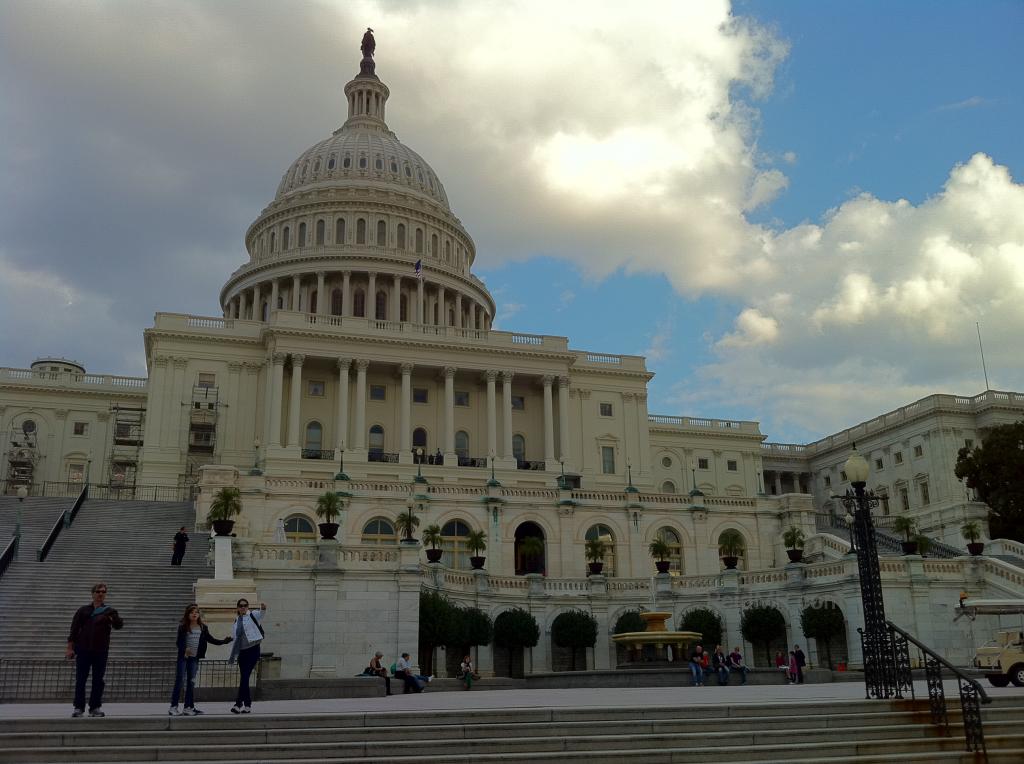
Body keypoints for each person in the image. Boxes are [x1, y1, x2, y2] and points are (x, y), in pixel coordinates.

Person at [66, 583, 124, 718]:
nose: (101, 594)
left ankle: (95, 707)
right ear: (92, 594)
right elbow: (74, 630)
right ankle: (78, 707)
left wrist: (113, 619)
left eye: (103, 592)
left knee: (98, 680)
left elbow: (119, 625)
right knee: (80, 679)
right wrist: (70, 648)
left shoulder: (110, 611)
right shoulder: (83, 610)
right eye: (98, 592)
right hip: (83, 649)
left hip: (100, 650)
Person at [169, 604, 232, 716]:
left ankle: (188, 707)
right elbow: (178, 642)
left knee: (191, 683)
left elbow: (211, 639)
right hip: (183, 658)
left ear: (199, 615)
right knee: (179, 681)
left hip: (194, 658)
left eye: (196, 612)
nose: (194, 614)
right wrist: (185, 649)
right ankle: (173, 707)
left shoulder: (203, 628)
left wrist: (223, 641)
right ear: (187, 614)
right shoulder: (183, 627)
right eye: (192, 612)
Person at [227, 599, 266, 713]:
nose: (243, 607)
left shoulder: (253, 615)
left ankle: (238, 704)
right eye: (241, 606)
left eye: (245, 605)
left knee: (244, 677)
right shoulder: (236, 620)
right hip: (242, 652)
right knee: (244, 679)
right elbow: (236, 637)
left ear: (248, 606)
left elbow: (261, 614)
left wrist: (263, 608)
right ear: (238, 608)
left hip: (253, 650)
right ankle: (247, 705)